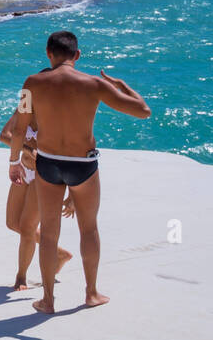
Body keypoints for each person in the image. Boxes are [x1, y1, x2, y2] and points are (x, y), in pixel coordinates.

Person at [8, 30, 151, 314]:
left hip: (48, 163)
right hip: (83, 165)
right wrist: (121, 84)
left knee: (49, 233)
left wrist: (14, 161)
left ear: (49, 54)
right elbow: (143, 111)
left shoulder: (31, 83)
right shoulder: (94, 84)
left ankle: (48, 301)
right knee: (88, 228)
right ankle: (91, 293)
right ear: (77, 55)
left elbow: (20, 127)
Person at [0, 107, 73, 290]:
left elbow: (72, 156)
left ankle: (21, 277)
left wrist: (72, 193)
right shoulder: (25, 109)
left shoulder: (57, 118)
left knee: (27, 228)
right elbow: (5, 135)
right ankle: (59, 254)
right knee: (12, 223)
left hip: (45, 178)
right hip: (24, 171)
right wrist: (27, 149)